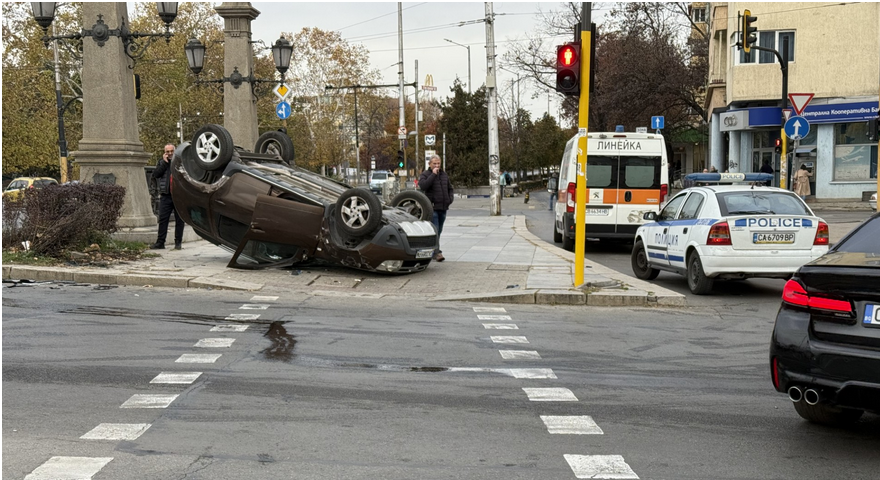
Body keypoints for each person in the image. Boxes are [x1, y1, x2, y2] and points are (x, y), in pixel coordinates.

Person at [419, 155, 453, 262]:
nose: (437, 165)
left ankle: (433, 250)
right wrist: (433, 175)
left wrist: (449, 199)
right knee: (436, 230)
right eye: (434, 163)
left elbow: (450, 188)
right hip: (432, 207)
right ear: (430, 164)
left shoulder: (444, 174)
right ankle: (437, 252)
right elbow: (423, 186)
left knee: (440, 230)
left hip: (443, 207)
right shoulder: (425, 174)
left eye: (438, 163)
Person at [150, 144, 184, 250]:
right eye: (167, 152)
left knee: (180, 220)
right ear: (164, 152)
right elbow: (156, 174)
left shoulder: (180, 162)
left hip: (178, 195)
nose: (169, 154)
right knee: (163, 219)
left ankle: (178, 242)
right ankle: (160, 242)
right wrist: (164, 163)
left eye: (171, 151)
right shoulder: (161, 162)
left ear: (175, 151)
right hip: (166, 195)